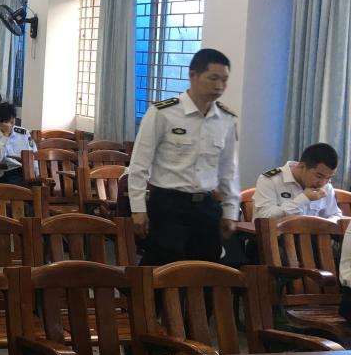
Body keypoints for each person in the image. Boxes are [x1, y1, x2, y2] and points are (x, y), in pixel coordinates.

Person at [127, 48, 240, 266]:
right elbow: (139, 164)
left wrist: (230, 210)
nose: (219, 86)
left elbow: (229, 170)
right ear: (193, 75)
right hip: (169, 205)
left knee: (205, 271)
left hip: (207, 207)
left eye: (224, 80)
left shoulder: (226, 119)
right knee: (164, 270)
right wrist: (138, 209)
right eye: (213, 78)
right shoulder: (163, 113)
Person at [253, 143, 342, 221]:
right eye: (319, 176)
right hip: (278, 235)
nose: (322, 183)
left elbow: (336, 215)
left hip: (313, 235)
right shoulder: (270, 180)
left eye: (329, 178)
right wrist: (303, 199)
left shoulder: (326, 186)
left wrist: (326, 225)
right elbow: (263, 218)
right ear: (302, 166)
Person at [0, 102, 36, 184]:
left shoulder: (24, 133)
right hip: (8, 172)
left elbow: (34, 155)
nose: (10, 126)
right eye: (6, 123)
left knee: (43, 182)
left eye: (12, 122)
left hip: (28, 170)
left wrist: (37, 174)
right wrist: (5, 135)